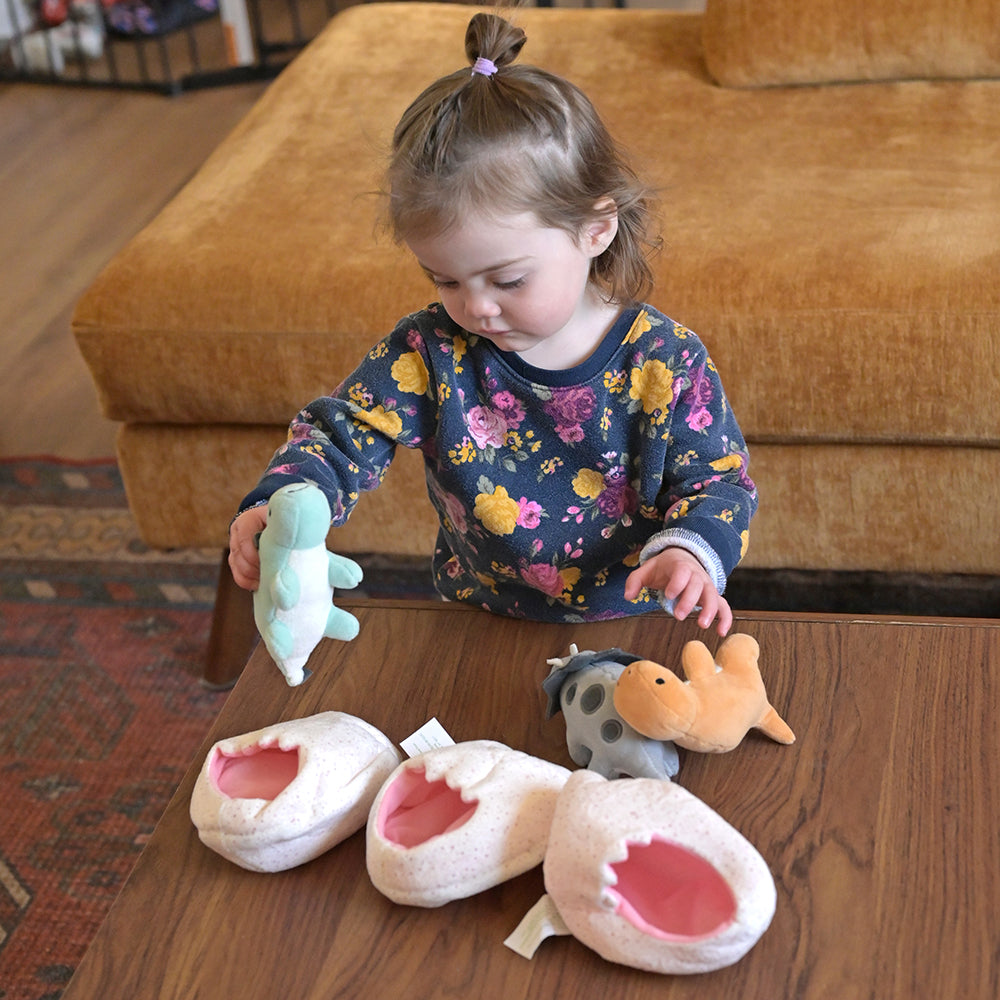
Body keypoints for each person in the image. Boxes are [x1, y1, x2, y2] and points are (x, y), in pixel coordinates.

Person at [229, 11, 757, 636]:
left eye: (507, 281)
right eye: (445, 280)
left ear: (596, 229)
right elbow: (341, 433)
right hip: (477, 620)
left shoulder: (666, 359)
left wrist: (690, 549)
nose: (475, 308)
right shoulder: (430, 349)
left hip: (639, 621)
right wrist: (288, 505)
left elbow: (719, 483)